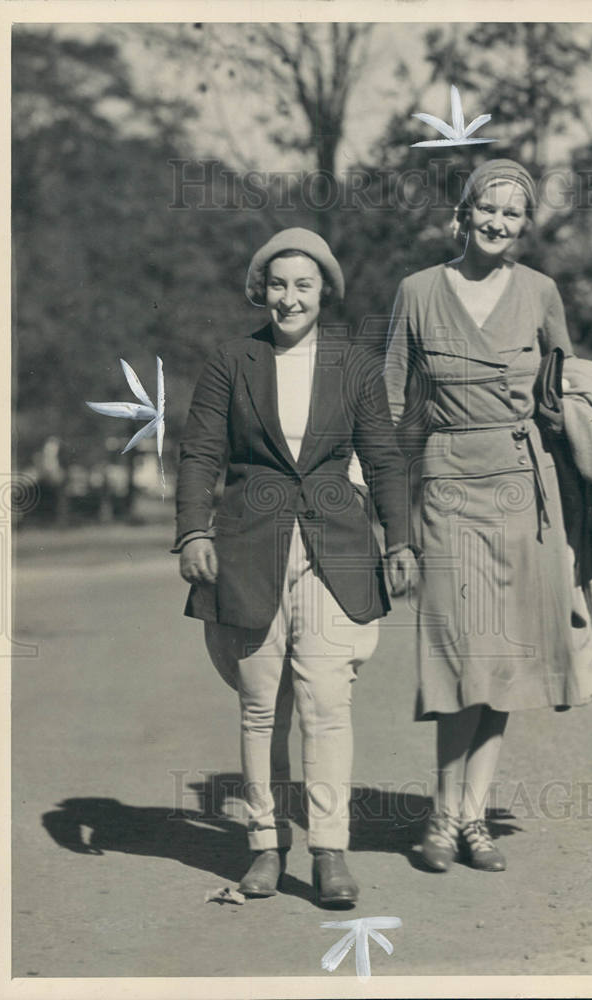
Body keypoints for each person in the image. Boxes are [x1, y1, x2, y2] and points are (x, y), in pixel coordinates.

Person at [174, 227, 418, 906]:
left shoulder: (356, 365)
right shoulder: (231, 361)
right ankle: (263, 849)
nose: (289, 298)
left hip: (336, 548)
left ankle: (330, 853)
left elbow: (387, 457)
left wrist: (400, 541)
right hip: (250, 547)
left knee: (327, 704)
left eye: (303, 285)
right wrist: (194, 531)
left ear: (324, 293)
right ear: (262, 291)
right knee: (260, 709)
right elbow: (199, 456)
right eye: (277, 285)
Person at [384, 159, 592, 874]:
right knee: (457, 652)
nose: (499, 224)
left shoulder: (541, 293)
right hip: (446, 487)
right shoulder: (416, 292)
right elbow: (388, 404)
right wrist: (381, 509)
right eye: (488, 210)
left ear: (523, 226)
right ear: (464, 213)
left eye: (513, 214)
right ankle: (442, 817)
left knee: (501, 657)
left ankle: (471, 818)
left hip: (522, 490)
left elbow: (566, 401)